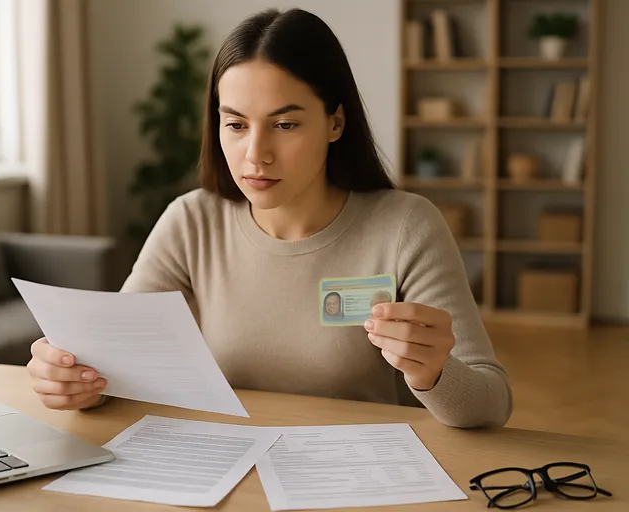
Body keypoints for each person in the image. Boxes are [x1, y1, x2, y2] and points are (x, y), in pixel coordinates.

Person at [26, 8, 512, 428]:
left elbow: (492, 403)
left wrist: (434, 374)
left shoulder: (406, 227)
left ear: (336, 123)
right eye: (236, 124)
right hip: (228, 471)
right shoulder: (191, 222)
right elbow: (114, 364)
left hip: (356, 476)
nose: (256, 154)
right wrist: (77, 380)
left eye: (285, 124)